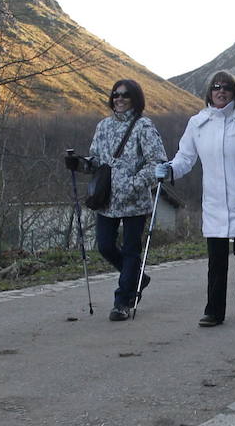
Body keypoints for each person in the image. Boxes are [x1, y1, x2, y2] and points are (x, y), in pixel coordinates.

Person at [157, 70, 235, 328]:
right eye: (216, 87)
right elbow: (185, 157)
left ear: (234, 93)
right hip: (215, 203)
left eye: (227, 88)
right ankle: (214, 311)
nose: (221, 91)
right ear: (209, 92)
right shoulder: (198, 124)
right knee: (216, 260)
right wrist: (170, 169)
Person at [64, 79, 168, 321]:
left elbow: (157, 162)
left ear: (135, 99)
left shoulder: (144, 127)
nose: (119, 99)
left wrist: (134, 184)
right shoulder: (103, 126)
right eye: (115, 95)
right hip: (107, 199)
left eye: (125, 95)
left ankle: (122, 302)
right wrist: (79, 164)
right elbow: (97, 161)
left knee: (131, 250)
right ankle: (138, 277)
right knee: (105, 246)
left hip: (134, 201)